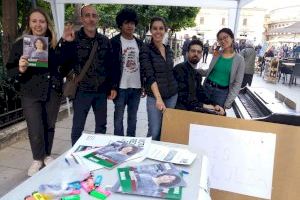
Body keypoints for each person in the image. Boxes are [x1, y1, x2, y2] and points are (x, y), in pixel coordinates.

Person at [6, 8, 73, 176]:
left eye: (41, 21)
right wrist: (21, 68)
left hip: (52, 91)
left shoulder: (54, 43)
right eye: (34, 21)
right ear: (29, 23)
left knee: (49, 126)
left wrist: (67, 44)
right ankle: (37, 158)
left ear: (47, 23)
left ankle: (47, 155)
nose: (38, 24)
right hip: (30, 92)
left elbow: (65, 68)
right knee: (35, 128)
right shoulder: (20, 45)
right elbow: (10, 71)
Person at [61, 5, 118, 145]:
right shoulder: (73, 38)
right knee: (78, 127)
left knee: (101, 126)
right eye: (87, 15)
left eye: (94, 15)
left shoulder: (105, 41)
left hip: (100, 92)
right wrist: (65, 43)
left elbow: (112, 66)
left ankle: (98, 153)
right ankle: (75, 154)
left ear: (97, 18)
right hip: (82, 91)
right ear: (82, 19)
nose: (91, 19)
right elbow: (62, 64)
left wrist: (113, 86)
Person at [140, 17, 178, 141]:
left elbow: (171, 72)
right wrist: (158, 98)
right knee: (154, 131)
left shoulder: (169, 50)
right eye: (155, 28)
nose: (158, 31)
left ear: (165, 30)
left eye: (161, 28)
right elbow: (149, 75)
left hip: (172, 95)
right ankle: (147, 155)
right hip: (155, 97)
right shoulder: (145, 49)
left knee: (166, 130)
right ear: (150, 30)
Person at [110, 8, 143, 137]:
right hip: (120, 87)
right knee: (118, 119)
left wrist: (144, 84)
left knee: (133, 118)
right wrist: (112, 87)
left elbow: (143, 65)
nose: (130, 26)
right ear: (120, 25)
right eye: (126, 23)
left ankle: (130, 144)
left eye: (132, 23)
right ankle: (118, 143)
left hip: (136, 87)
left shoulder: (140, 43)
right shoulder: (114, 42)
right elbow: (110, 66)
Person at [174, 39, 225, 115]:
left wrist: (215, 104)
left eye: (199, 52)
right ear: (187, 53)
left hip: (193, 107)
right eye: (193, 51)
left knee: (221, 113)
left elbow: (201, 93)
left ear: (201, 55)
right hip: (182, 111)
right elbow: (182, 97)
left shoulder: (197, 74)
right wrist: (204, 106)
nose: (196, 54)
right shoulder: (179, 69)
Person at [201, 28, 245, 109]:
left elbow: (237, 83)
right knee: (200, 113)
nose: (223, 41)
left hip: (221, 93)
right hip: (207, 88)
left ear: (232, 38)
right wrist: (193, 70)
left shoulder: (239, 59)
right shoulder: (217, 54)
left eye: (225, 37)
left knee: (215, 118)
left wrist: (228, 102)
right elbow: (209, 71)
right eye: (220, 39)